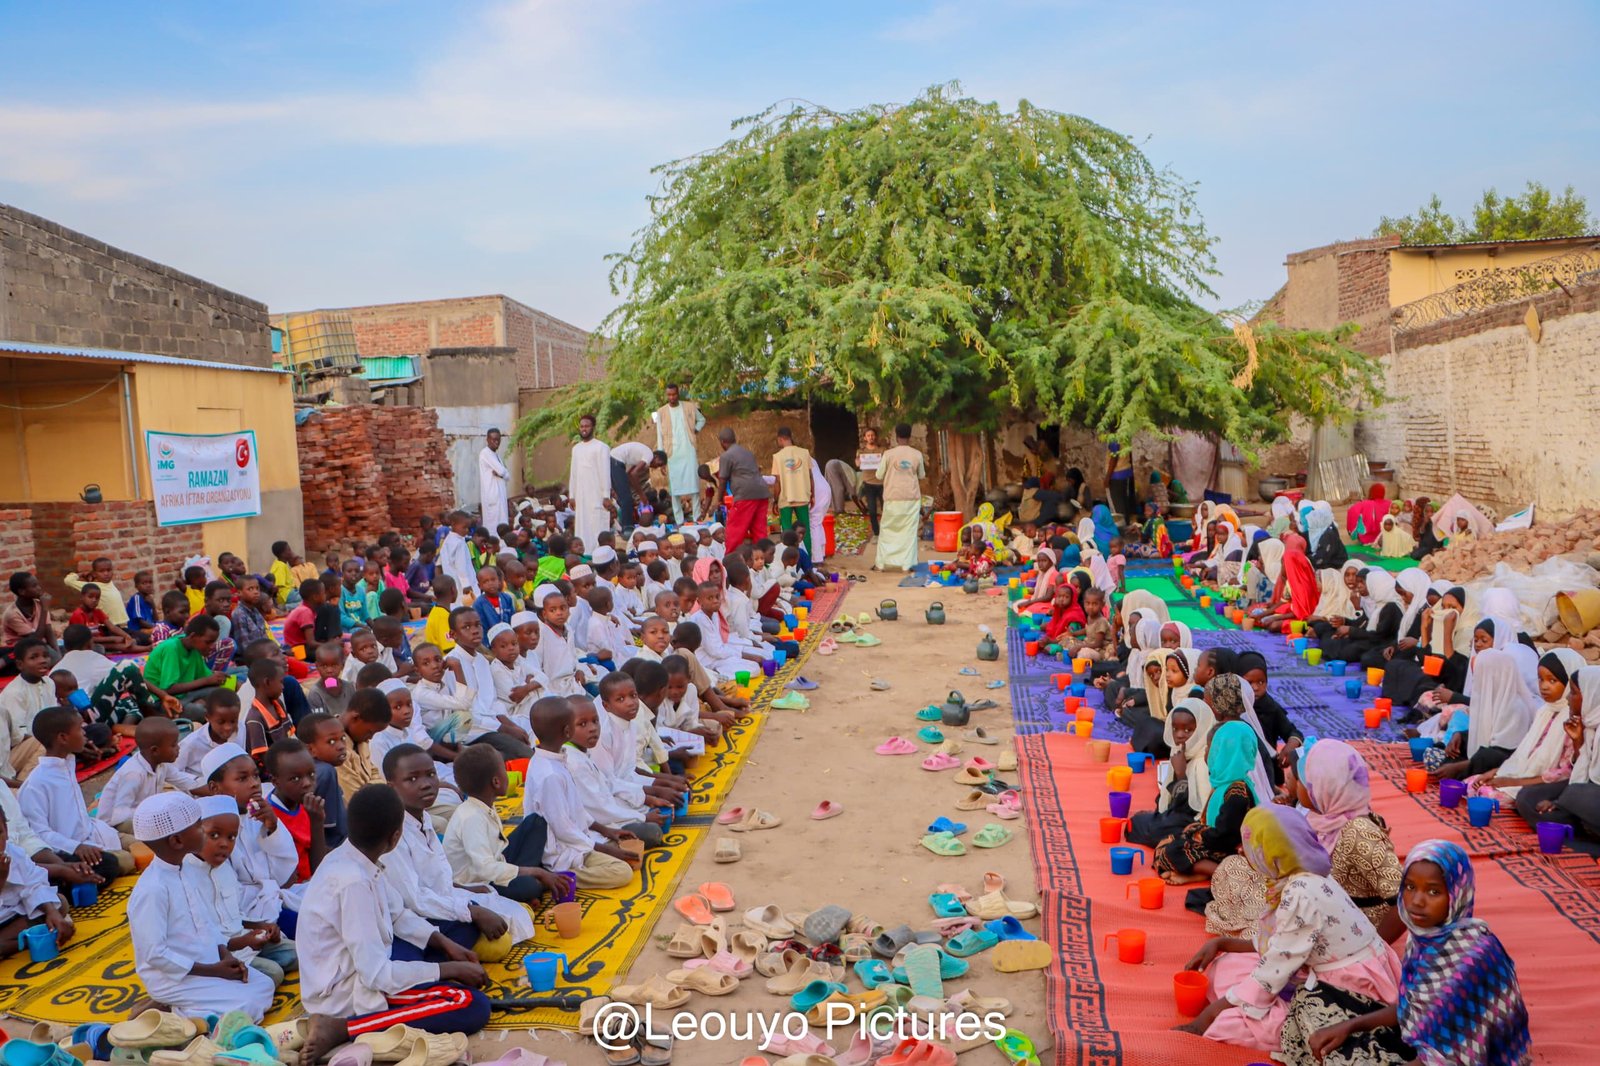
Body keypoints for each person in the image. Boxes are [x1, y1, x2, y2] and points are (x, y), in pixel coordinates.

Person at [1177, 807, 1405, 1063]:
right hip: (1341, 973)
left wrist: (1207, 1017)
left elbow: (1273, 970)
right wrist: (1222, 943)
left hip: (1351, 993)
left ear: (1271, 854)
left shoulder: (1301, 893)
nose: (1243, 851)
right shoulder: (1308, 876)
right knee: (1225, 966)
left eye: (1251, 847)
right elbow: (1282, 943)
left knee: (1226, 1024)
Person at [295, 785, 491, 1063]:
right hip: (347, 993)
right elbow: (376, 975)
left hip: (372, 961)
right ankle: (343, 1028)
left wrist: (446, 946)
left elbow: (397, 914)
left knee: (459, 930)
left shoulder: (356, 857)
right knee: (470, 1004)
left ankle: (429, 975)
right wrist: (447, 968)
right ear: (396, 836)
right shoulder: (353, 882)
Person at [1307, 839, 1531, 1066]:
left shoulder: (1472, 958)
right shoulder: (1426, 939)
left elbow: (1456, 1056)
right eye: (1410, 887)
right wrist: (1350, 1026)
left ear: (1457, 894)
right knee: (1312, 1003)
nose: (1417, 901)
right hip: (1422, 1044)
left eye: (1433, 891)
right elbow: (1411, 1009)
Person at [127, 792, 276, 1019]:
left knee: (264, 985)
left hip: (207, 962)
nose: (203, 832)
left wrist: (225, 955)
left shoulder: (185, 871)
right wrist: (212, 971)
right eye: (198, 827)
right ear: (177, 841)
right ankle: (179, 1018)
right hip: (173, 978)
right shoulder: (153, 888)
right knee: (248, 1006)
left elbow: (206, 924)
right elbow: (155, 954)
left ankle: (187, 1012)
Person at [382, 743, 534, 950]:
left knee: (517, 912)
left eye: (431, 775)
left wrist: (466, 890)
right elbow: (415, 900)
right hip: (418, 916)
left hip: (444, 899)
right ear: (392, 787)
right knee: (499, 942)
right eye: (412, 779)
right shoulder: (392, 834)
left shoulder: (423, 818)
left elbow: (438, 877)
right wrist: (473, 912)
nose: (426, 784)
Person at [523, 696, 636, 889]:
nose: (591, 727)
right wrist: (602, 849)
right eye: (579, 723)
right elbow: (562, 828)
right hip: (560, 852)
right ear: (568, 731)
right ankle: (558, 877)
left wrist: (605, 830)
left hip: (578, 841)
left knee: (625, 847)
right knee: (622, 872)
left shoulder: (555, 760)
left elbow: (574, 808)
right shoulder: (550, 774)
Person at [443, 744, 566, 902]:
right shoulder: (471, 817)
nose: (507, 774)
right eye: (504, 771)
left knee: (537, 822)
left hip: (496, 862)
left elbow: (496, 856)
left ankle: (533, 877)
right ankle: (535, 881)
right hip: (479, 882)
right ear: (496, 782)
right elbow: (485, 869)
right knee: (529, 887)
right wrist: (537, 872)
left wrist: (529, 871)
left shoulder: (483, 804)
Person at [1153, 720, 1259, 885]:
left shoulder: (1237, 793)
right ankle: (1200, 873)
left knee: (1171, 852)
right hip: (1218, 841)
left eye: (1210, 748)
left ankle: (1222, 875)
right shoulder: (1227, 782)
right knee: (1166, 841)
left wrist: (1198, 834)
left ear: (1223, 753)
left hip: (1232, 851)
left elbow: (1225, 837)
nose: (1206, 752)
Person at [873, 424, 925, 572]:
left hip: (892, 497)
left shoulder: (888, 454)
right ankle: (907, 565)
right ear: (910, 437)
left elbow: (878, 475)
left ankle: (881, 564)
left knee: (887, 530)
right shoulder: (917, 454)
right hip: (911, 498)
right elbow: (921, 475)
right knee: (909, 532)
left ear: (896, 436)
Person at [653, 384, 706, 523]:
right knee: (674, 488)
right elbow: (659, 435)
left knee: (694, 485)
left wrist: (695, 430)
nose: (672, 397)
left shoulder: (689, 406)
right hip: (671, 454)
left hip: (688, 450)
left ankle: (696, 517)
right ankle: (679, 520)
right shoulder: (662, 412)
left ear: (678, 394)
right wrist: (661, 458)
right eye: (669, 395)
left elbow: (702, 420)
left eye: (674, 394)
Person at [712, 427, 769, 554]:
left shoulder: (726, 456)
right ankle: (763, 558)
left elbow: (722, 480)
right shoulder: (748, 453)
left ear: (722, 442)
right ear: (735, 438)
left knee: (734, 530)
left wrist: (719, 499)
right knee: (759, 530)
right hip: (762, 492)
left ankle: (731, 560)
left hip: (745, 495)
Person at [569, 414, 615, 555]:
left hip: (597, 496)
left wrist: (606, 495)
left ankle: (599, 555)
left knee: (597, 526)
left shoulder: (602, 447)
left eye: (587, 426)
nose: (584, 429)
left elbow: (605, 473)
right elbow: (573, 473)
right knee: (582, 526)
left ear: (593, 428)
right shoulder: (576, 449)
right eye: (582, 426)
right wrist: (572, 495)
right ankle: (585, 555)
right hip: (581, 497)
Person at [768, 426, 815, 557]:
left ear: (780, 439)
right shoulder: (804, 453)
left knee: (787, 530)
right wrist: (812, 495)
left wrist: (775, 501)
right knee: (805, 530)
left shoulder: (777, 457)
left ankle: (788, 559)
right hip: (802, 496)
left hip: (785, 498)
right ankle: (807, 558)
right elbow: (811, 476)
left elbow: (777, 482)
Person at [477, 428, 510, 536]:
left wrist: (502, 473)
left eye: (498, 439)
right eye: (493, 439)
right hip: (492, 496)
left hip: (500, 495)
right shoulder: (485, 453)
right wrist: (502, 473)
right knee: (494, 528)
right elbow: (502, 471)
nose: (496, 442)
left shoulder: (496, 455)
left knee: (503, 525)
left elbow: (507, 475)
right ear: (487, 439)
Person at [856, 427, 885, 535]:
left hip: (881, 483)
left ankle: (886, 530)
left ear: (875, 437)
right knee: (872, 510)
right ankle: (876, 532)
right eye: (868, 436)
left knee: (885, 509)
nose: (871, 437)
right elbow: (858, 464)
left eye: (872, 435)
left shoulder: (882, 451)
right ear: (865, 438)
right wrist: (859, 461)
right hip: (868, 484)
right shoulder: (861, 451)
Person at [1105, 439, 1134, 519]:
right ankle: (1126, 525)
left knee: (1117, 506)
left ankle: (1121, 527)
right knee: (1125, 504)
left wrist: (1107, 477)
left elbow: (1114, 457)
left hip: (1116, 475)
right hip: (1127, 472)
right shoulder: (1125, 437)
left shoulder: (1114, 438)